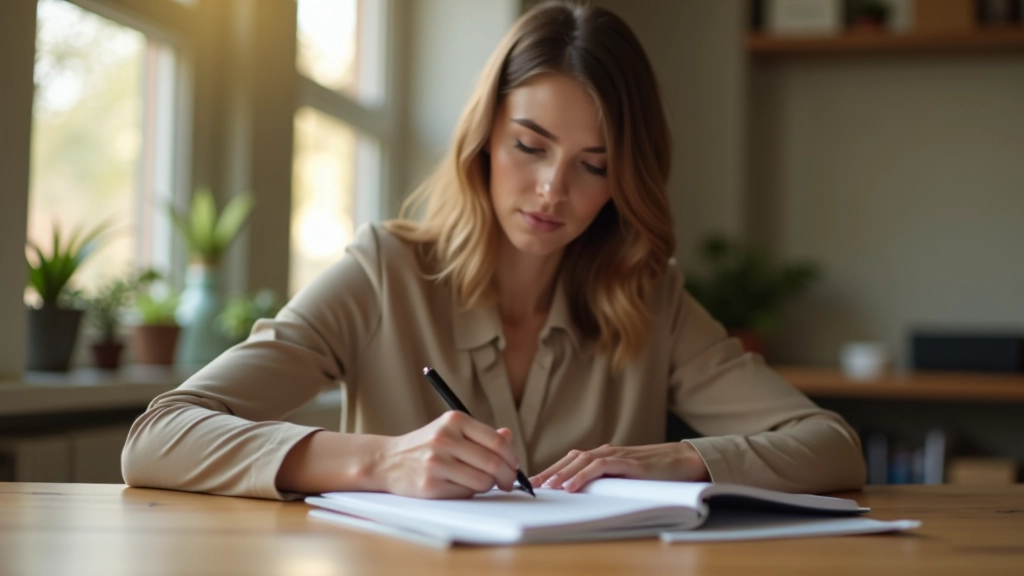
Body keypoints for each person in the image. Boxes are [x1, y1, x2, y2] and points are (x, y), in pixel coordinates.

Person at [122, 1, 866, 500]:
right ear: (484, 137)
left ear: (623, 179)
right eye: (529, 146)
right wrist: (381, 462)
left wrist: (679, 458)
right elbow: (158, 437)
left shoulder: (651, 298)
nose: (551, 191)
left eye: (594, 165)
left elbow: (831, 445)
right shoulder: (385, 273)